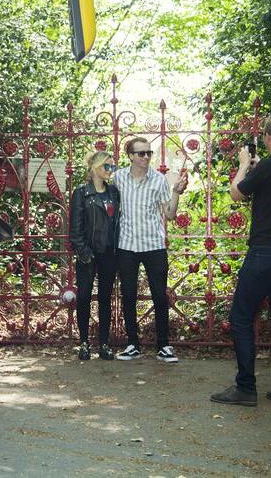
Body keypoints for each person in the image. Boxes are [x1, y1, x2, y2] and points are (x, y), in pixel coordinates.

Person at [210, 114, 271, 407]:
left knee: (240, 317)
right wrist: (254, 171)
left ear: (266, 137)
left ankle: (245, 387)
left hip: (264, 251)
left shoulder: (266, 166)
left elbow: (237, 194)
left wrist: (243, 166)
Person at [112, 137, 188, 362]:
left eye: (149, 153)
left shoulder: (159, 180)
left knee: (159, 296)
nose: (146, 157)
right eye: (141, 153)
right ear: (131, 156)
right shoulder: (118, 178)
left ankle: (164, 346)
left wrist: (176, 192)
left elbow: (170, 214)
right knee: (128, 296)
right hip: (126, 245)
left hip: (153, 245)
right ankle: (132, 344)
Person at [69, 151, 120, 361]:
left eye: (113, 167)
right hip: (88, 253)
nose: (111, 170)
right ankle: (83, 342)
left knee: (105, 298)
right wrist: (83, 251)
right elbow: (75, 227)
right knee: (83, 297)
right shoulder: (82, 193)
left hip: (109, 252)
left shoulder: (114, 192)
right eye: (107, 166)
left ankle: (105, 343)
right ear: (96, 168)